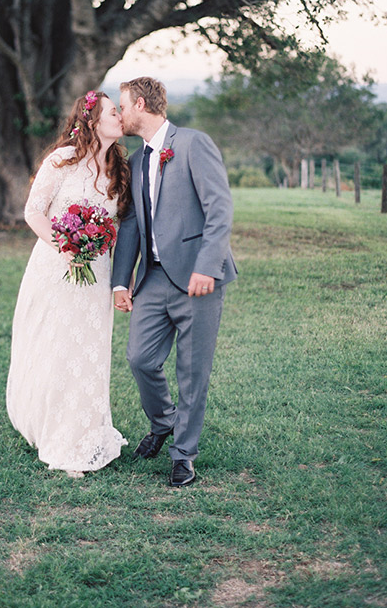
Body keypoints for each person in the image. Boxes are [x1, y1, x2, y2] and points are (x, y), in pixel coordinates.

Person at [112, 77, 237, 487]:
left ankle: (184, 454)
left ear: (142, 105)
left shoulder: (192, 144)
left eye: (123, 105)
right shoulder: (135, 160)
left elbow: (219, 208)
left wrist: (208, 265)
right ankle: (163, 422)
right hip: (152, 278)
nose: (120, 113)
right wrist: (120, 281)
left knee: (192, 371)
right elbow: (129, 224)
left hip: (198, 278)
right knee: (140, 359)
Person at [6, 91, 130, 478]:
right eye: (114, 111)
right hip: (56, 269)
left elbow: (119, 226)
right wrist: (67, 244)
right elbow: (33, 211)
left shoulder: (118, 169)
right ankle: (54, 430)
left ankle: (86, 428)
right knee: (57, 347)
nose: (121, 117)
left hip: (97, 275)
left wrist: (97, 247)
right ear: (92, 119)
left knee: (89, 349)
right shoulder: (62, 159)